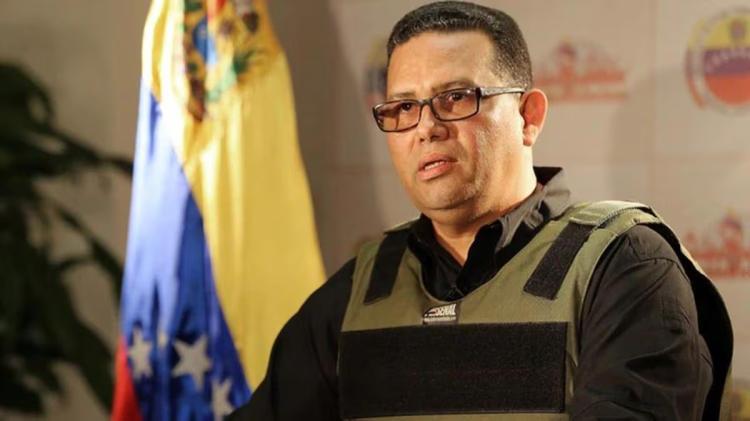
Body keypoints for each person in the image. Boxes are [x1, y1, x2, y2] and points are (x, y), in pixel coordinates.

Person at [230, 2, 733, 419]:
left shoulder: (624, 264)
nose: (426, 128)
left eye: (455, 98)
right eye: (403, 108)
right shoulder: (362, 286)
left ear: (528, 117)